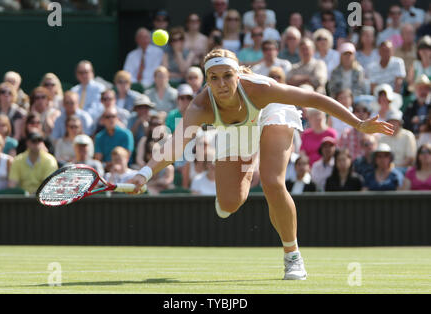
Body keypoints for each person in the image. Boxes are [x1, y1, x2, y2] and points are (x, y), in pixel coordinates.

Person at [126, 48, 393, 281]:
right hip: (237, 129)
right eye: (214, 78)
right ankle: (247, 161)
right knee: (229, 203)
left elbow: (313, 99)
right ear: (206, 81)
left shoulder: (261, 89)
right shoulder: (201, 106)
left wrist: (358, 124)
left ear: (237, 76)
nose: (221, 84)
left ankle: (292, 255)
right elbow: (175, 145)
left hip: (271, 112)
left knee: (272, 181)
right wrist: (144, 173)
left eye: (227, 76)